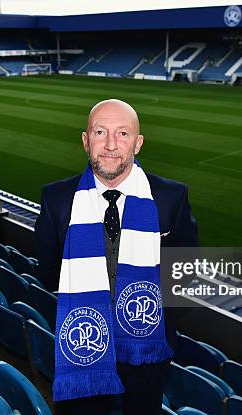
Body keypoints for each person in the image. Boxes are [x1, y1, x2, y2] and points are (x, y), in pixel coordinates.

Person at [35, 99, 199, 415]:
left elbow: (185, 276)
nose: (111, 144)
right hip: (83, 345)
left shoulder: (170, 198)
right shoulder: (56, 199)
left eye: (122, 133)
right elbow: (47, 273)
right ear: (85, 141)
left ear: (138, 143)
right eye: (100, 132)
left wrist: (147, 324)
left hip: (146, 353)